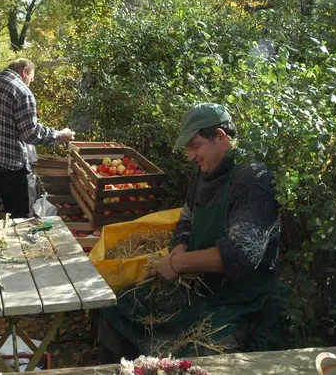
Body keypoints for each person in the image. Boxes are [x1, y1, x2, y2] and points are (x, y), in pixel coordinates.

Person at [98, 103, 288, 361]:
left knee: (195, 356)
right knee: (117, 307)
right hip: (197, 288)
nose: (190, 156)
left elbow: (241, 255)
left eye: (194, 146)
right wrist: (177, 256)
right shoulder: (203, 173)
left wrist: (179, 262)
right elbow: (185, 221)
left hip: (240, 300)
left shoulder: (253, 179)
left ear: (220, 137)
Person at [0, 58, 75, 218]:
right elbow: (30, 133)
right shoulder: (21, 91)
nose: (30, 82)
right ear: (24, 71)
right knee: (17, 219)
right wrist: (60, 135)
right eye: (31, 77)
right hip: (9, 167)